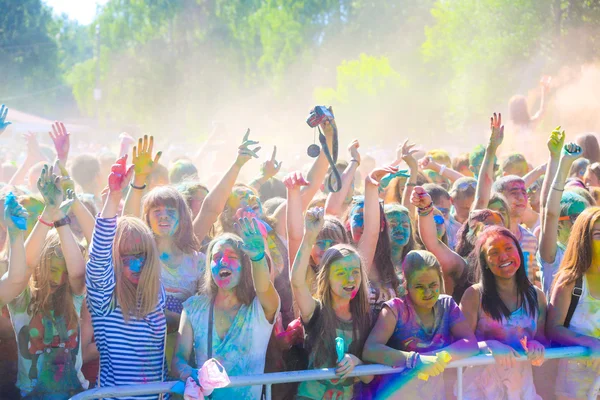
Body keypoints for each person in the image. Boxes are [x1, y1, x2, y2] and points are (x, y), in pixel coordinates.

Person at [86, 156, 168, 399]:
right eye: (125, 257)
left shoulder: (156, 294)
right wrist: (114, 198)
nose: (136, 264)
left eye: (141, 255)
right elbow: (99, 258)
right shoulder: (106, 300)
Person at [172, 218, 280, 400]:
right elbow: (178, 360)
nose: (223, 262)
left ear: (245, 266)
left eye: (232, 257)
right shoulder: (193, 308)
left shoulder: (260, 308)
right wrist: (192, 374)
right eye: (216, 258)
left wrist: (257, 257)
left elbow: (263, 287)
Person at [10, 165, 88, 398]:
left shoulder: (71, 297)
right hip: (33, 394)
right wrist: (47, 214)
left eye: (63, 270)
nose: (59, 278)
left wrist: (60, 219)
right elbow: (26, 266)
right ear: (42, 265)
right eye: (53, 269)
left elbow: (76, 274)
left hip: (75, 392)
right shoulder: (22, 297)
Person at [363, 250, 478, 399]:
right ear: (406, 284)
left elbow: (470, 344)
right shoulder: (395, 309)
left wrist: (432, 358)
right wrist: (415, 360)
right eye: (419, 286)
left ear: (440, 280)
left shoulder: (447, 305)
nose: (428, 292)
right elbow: (370, 350)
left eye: (433, 284)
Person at [291, 208, 373, 399]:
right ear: (326, 278)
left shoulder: (366, 316)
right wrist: (310, 235)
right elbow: (296, 281)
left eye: (355, 272)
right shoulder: (315, 311)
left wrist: (356, 362)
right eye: (340, 273)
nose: (350, 279)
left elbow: (369, 377)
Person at [459, 226, 547, 399]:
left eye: (508, 248)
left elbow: (543, 339)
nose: (504, 256)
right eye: (494, 252)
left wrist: (537, 345)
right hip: (480, 391)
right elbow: (460, 344)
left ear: (519, 251)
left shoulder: (537, 296)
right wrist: (490, 345)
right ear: (484, 261)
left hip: (520, 389)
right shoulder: (474, 296)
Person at [546, 207, 600, 400]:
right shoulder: (570, 281)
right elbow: (553, 328)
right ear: (583, 240)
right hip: (575, 380)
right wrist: (591, 343)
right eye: (598, 234)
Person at [538, 142, 588, 296]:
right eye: (575, 218)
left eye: (585, 217)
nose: (583, 223)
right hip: (560, 321)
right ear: (558, 224)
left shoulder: (592, 249)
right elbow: (549, 211)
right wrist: (563, 162)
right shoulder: (552, 255)